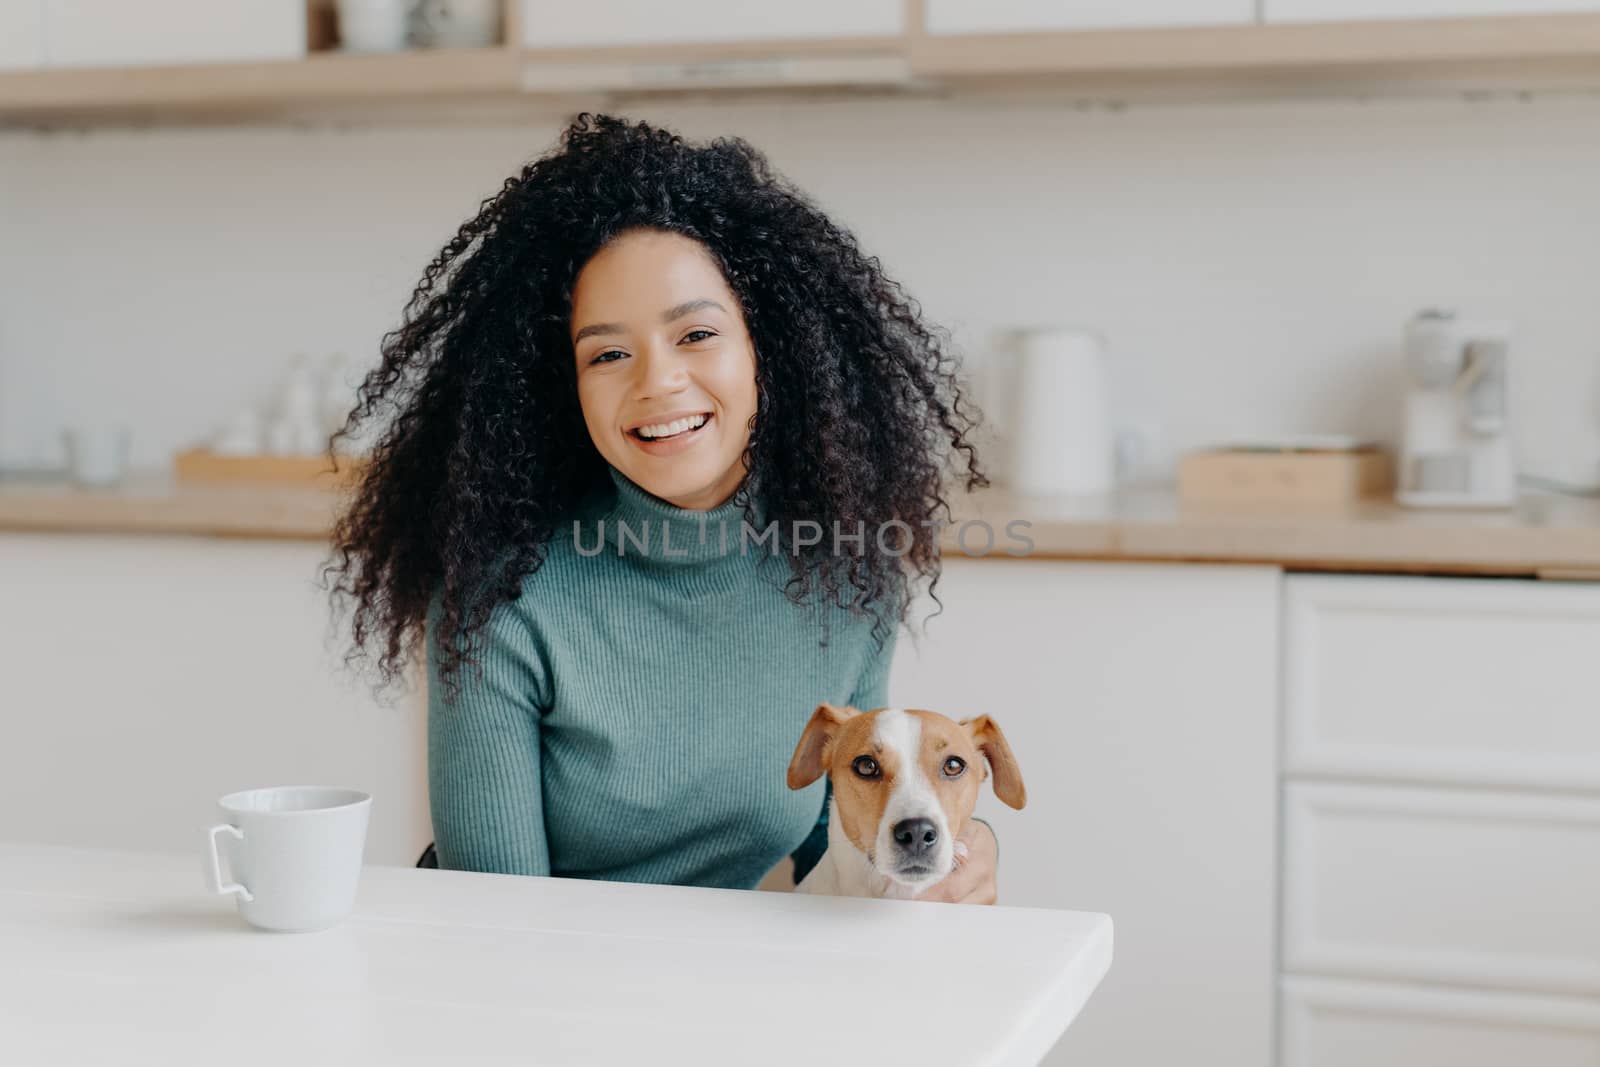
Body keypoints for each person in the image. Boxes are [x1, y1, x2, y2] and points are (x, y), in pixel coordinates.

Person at [324, 113, 997, 902]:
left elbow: (842, 838)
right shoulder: (502, 597)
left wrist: (956, 843)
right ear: (562, 386)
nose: (657, 382)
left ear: (767, 348)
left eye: (697, 334)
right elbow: (495, 925)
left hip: (723, 982)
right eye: (608, 353)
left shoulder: (847, 575)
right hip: (536, 994)